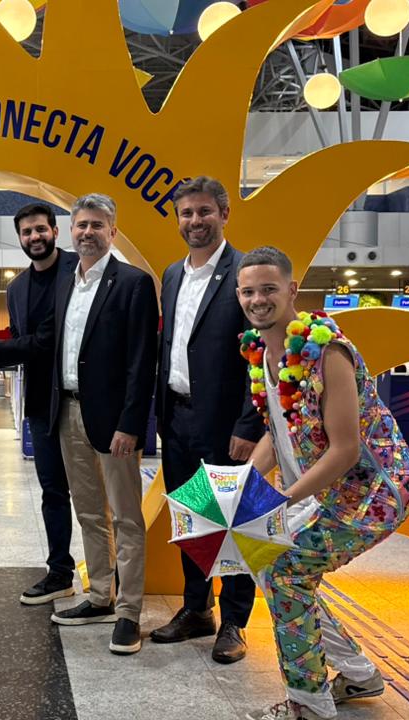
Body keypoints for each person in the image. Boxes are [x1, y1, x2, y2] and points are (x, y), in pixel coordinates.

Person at [0, 193, 158, 655]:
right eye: (81, 225)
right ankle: (99, 596)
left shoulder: (133, 283)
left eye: (97, 225)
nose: (88, 232)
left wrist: (131, 422)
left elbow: (140, 361)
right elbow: (44, 341)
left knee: (126, 516)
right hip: (65, 410)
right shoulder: (67, 284)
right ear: (72, 231)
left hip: (112, 419)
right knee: (88, 512)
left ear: (113, 230)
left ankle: (129, 612)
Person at [235, 247, 409, 720]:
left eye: (268, 289)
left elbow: (344, 450)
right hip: (325, 491)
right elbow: (277, 429)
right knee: (265, 561)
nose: (258, 300)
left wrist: (280, 499)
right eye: (248, 291)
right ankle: (359, 674)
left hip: (373, 493)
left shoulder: (327, 352)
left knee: (285, 573)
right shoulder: (261, 351)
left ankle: (309, 704)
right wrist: (240, 487)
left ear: (292, 290)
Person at [150, 177, 263, 663]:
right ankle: (197, 608)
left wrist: (248, 425)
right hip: (177, 416)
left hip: (226, 423)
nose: (195, 221)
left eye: (204, 212)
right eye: (187, 214)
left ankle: (234, 621)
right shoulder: (172, 275)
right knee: (192, 519)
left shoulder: (244, 273)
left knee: (232, 522)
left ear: (224, 214)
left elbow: (260, 354)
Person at [0, 202, 78, 605]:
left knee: (99, 498)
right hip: (43, 403)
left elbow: (49, 339)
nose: (34, 237)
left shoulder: (80, 270)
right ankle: (60, 572)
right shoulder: (16, 289)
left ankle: (110, 577)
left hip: (85, 400)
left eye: (40, 229)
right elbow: (24, 345)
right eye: (26, 232)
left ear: (55, 231)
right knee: (53, 491)